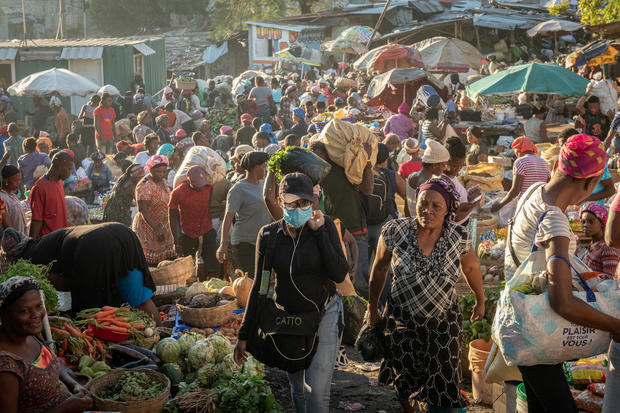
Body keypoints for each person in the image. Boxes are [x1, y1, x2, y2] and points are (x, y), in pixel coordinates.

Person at [502, 134, 620, 411]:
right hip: (535, 331)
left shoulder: (534, 192)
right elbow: (562, 301)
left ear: (557, 164)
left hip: (523, 324)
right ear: (591, 184)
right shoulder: (554, 221)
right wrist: (614, 326)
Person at [367, 177, 484, 413]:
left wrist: (480, 300)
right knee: (404, 379)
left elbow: (470, 268)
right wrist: (372, 309)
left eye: (435, 206)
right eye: (423, 204)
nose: (427, 211)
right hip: (403, 319)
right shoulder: (394, 231)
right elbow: (379, 268)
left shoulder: (458, 237)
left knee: (442, 385)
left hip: (443, 322)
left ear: (448, 210)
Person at [235, 172, 348, 413]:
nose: (300, 209)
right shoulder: (268, 236)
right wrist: (245, 333)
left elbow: (339, 273)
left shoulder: (324, 225)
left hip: (324, 313)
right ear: (280, 201)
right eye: (293, 203)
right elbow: (261, 286)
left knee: (316, 392)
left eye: (305, 203)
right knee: (297, 387)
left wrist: (319, 234)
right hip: (289, 319)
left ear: (312, 202)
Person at [2, 224, 161, 324]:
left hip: (93, 246)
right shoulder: (43, 242)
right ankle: (161, 338)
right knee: (140, 299)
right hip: (123, 232)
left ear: (15, 257)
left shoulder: (29, 259)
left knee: (89, 314)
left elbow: (59, 282)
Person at [0, 276, 94, 413]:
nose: (37, 315)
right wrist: (66, 408)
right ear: (5, 315)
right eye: (25, 310)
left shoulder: (30, 334)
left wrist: (73, 384)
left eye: (39, 306)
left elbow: (48, 361)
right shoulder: (6, 366)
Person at [311, 140, 374, 298]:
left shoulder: (348, 168)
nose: (319, 160)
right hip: (335, 230)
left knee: (360, 279)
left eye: (320, 156)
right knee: (340, 280)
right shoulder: (321, 174)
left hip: (355, 228)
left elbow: (367, 190)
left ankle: (368, 312)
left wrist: (365, 160)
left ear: (328, 153)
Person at [216, 151, 272, 276]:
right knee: (251, 279)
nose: (265, 169)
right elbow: (228, 217)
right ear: (255, 167)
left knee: (264, 279)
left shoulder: (263, 184)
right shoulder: (238, 189)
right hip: (244, 244)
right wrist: (223, 245)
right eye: (263, 166)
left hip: (263, 241)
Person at [169, 166, 219, 281]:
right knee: (187, 271)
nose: (200, 188)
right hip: (187, 233)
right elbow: (171, 216)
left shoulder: (208, 188)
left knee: (213, 265)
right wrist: (175, 241)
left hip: (206, 229)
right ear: (189, 181)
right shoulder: (178, 192)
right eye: (197, 186)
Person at [132, 155, 175, 265]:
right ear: (150, 169)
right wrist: (156, 229)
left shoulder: (163, 181)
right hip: (150, 228)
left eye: (163, 171)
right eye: (158, 171)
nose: (161, 174)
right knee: (151, 264)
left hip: (164, 226)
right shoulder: (145, 185)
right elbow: (143, 209)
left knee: (166, 264)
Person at [367, 143, 406, 259]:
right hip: (387, 221)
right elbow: (407, 197)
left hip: (364, 222)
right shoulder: (393, 175)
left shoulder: (364, 174)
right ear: (386, 158)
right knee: (386, 262)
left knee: (365, 262)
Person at [491, 136, 550, 213]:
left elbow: (516, 190)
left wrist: (500, 205)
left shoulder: (520, 161)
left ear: (518, 150)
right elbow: (548, 184)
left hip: (526, 206)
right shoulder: (544, 162)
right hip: (541, 204)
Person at [29, 152, 73, 239]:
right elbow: (37, 221)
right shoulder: (39, 187)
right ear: (60, 166)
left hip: (60, 237)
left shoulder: (59, 182)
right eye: (69, 168)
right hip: (47, 241)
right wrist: (30, 244)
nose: (70, 172)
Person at [406, 139, 449, 217]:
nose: (444, 168)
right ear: (434, 165)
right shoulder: (429, 185)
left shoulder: (411, 176)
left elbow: (406, 207)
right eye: (443, 165)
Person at [444, 137, 481, 225]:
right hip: (455, 228)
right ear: (445, 161)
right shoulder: (444, 181)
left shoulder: (452, 175)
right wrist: (470, 207)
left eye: (460, 166)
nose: (457, 169)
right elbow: (452, 218)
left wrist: (468, 194)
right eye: (454, 165)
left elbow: (457, 196)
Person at [578, 202, 620, 278]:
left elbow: (609, 280)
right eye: (583, 222)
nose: (585, 225)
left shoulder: (608, 249)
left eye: (591, 222)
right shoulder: (594, 244)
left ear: (601, 223)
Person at [0, 166, 26, 233]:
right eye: (15, 180)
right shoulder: (2, 198)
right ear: (6, 180)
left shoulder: (13, 195)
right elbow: (6, 225)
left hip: (21, 238)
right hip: (13, 240)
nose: (18, 183)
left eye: (19, 180)